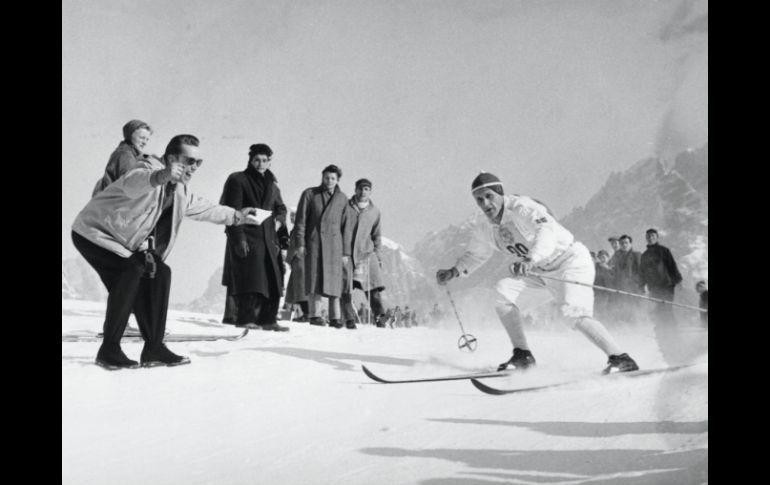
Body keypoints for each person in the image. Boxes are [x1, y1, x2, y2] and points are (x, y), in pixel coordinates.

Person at [72, 134, 260, 369]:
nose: (194, 167)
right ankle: (109, 349)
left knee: (160, 272)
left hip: (123, 243)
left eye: (198, 162)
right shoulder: (147, 169)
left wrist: (237, 216)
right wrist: (161, 176)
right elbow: (134, 183)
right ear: (170, 159)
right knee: (130, 272)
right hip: (93, 233)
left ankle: (154, 348)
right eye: (188, 161)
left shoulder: (179, 190)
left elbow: (204, 208)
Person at [436, 172, 638, 374]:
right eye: (479, 200)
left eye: (489, 196)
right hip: (542, 273)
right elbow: (476, 254)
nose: (486, 204)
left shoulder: (522, 207)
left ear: (500, 193)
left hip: (570, 262)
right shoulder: (485, 227)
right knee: (503, 292)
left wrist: (530, 258)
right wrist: (454, 271)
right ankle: (523, 355)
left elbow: (546, 232)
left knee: (572, 313)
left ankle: (621, 358)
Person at [220, 143, 289, 332]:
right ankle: (246, 318)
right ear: (250, 160)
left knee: (273, 278)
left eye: (265, 160)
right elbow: (230, 210)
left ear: (270, 162)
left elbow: (281, 208)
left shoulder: (272, 184)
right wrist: (238, 238)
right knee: (251, 279)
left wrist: (279, 222)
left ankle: (268, 319)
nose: (260, 163)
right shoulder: (238, 179)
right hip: (247, 235)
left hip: (269, 237)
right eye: (257, 159)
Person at [293, 165, 349, 328]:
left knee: (334, 280)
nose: (329, 181)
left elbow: (347, 227)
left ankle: (335, 317)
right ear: (322, 178)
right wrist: (301, 244)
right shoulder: (310, 194)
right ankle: (315, 315)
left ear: (338, 180)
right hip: (315, 242)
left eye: (332, 178)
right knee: (314, 278)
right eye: (326, 177)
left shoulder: (343, 199)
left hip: (335, 245)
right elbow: (300, 221)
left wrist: (346, 252)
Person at [341, 178, 387, 330]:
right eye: (360, 188)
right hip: (346, 253)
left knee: (371, 287)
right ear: (355, 190)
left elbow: (377, 235)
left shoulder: (374, 211)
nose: (363, 192)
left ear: (370, 192)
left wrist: (378, 255)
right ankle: (349, 318)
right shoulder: (346, 207)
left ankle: (380, 316)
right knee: (346, 288)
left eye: (366, 189)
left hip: (365, 253)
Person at [93, 119, 155, 196]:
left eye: (147, 139)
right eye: (142, 138)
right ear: (130, 135)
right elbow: (131, 185)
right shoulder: (125, 155)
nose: (145, 142)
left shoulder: (126, 153)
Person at [640, 228, 683, 326]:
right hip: (654, 287)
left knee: (667, 307)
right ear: (646, 238)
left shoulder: (664, 250)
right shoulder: (644, 255)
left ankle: (671, 329)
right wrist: (641, 285)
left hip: (666, 285)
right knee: (657, 308)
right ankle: (661, 329)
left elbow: (672, 265)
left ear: (657, 238)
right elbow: (642, 272)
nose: (650, 238)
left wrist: (678, 280)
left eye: (653, 236)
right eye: (648, 236)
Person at [612, 235, 643, 322]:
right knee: (622, 312)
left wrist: (639, 285)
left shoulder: (637, 255)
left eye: (626, 243)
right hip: (620, 289)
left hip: (634, 289)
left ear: (630, 244)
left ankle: (638, 329)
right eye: (622, 243)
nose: (624, 245)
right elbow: (612, 271)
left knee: (635, 312)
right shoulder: (616, 257)